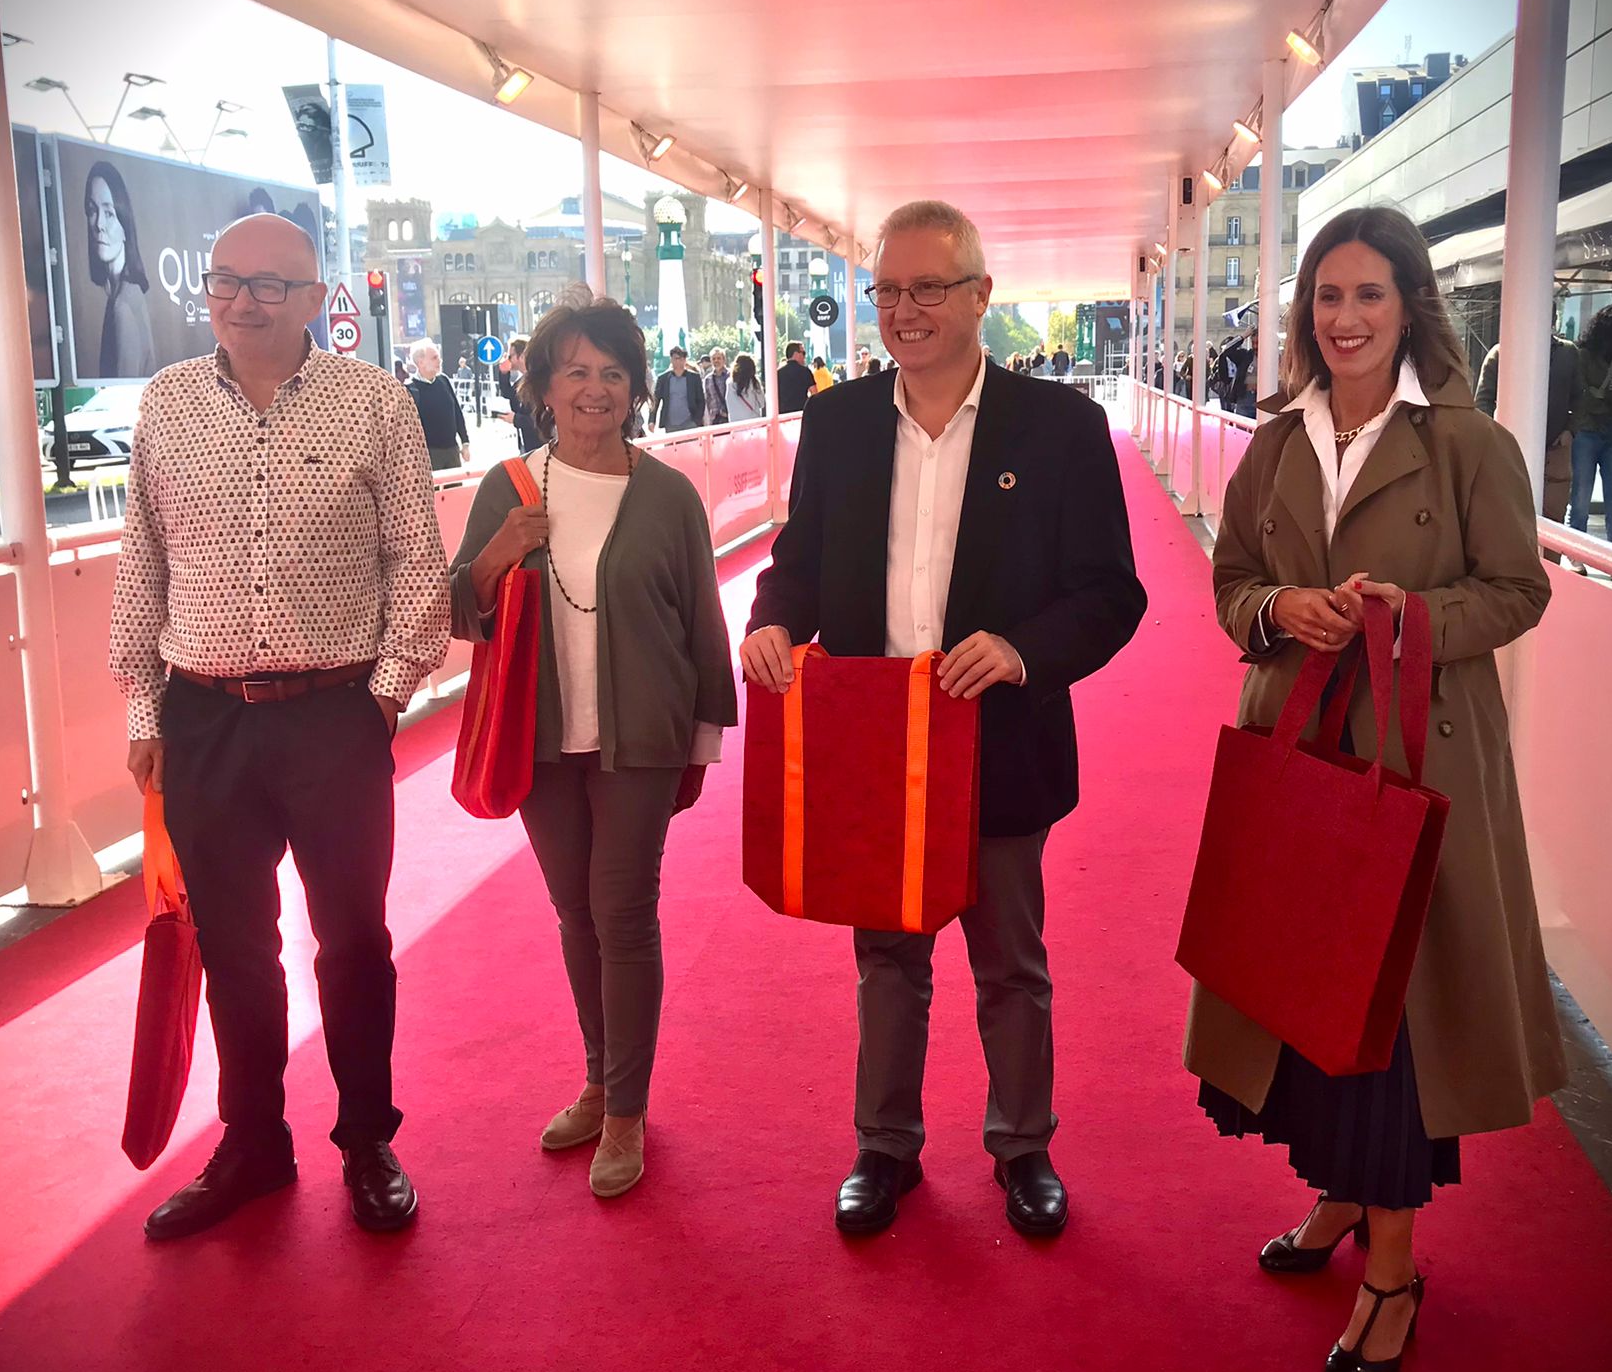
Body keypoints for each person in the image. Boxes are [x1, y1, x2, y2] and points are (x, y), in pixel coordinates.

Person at [1189, 204, 1564, 1372]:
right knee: (1307, 993)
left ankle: (1391, 1273)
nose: (1342, 319)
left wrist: (1403, 619)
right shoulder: (1277, 440)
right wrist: (1277, 612)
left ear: (1409, 307)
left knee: (1392, 1020)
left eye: (1367, 296)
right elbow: (1230, 577)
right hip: (1301, 761)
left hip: (1420, 768)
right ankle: (1340, 1195)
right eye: (1325, 298)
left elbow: (1515, 592)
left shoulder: (1462, 442)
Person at [742, 199, 1146, 1239]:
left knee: (1009, 959)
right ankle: (883, 1148)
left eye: (926, 287)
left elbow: (1109, 593)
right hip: (873, 743)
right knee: (887, 958)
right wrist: (772, 625)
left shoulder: (1059, 428)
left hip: (998, 741)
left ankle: (1023, 1147)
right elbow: (795, 566)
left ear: (980, 296)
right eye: (884, 290)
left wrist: (1020, 651)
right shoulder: (834, 424)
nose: (902, 310)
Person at [110, 214, 449, 1241]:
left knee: (352, 942)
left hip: (332, 718)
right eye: (225, 280)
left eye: (269, 283)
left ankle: (366, 1138)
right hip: (202, 717)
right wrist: (141, 706)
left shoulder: (373, 404)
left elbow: (416, 564)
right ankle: (253, 1141)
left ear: (315, 300)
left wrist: (382, 696)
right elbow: (140, 567)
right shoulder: (166, 405)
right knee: (233, 947)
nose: (242, 299)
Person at [449, 291, 736, 1199]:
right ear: (542, 385)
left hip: (641, 737)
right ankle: (597, 1077)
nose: (594, 389)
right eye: (575, 370)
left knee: (622, 911)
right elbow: (459, 607)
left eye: (613, 372)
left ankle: (625, 1112)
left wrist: (701, 741)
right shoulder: (510, 487)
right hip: (539, 738)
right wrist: (499, 551)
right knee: (574, 912)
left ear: (636, 388)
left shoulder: (667, 495)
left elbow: (701, 620)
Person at [1473, 329, 1580, 523]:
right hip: (1509, 449)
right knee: (1507, 517)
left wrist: (1570, 430)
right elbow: (1483, 401)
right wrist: (1493, 438)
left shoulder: (1568, 353)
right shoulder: (1499, 354)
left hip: (1555, 450)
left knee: (1553, 517)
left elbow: (1580, 398)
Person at [1565, 305, 1612, 553]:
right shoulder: (1581, 355)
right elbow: (1581, 396)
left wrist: (1605, 397)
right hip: (1586, 430)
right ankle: (1575, 552)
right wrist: (1608, 398)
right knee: (1580, 497)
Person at [82, 160, 155, 379]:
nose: (99, 225)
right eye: (92, 211)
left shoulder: (122, 307)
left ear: (125, 225)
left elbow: (125, 399)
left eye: (110, 213)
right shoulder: (124, 295)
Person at [405, 337, 470, 470]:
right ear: (420, 362)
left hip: (452, 450)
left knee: (455, 489)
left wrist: (465, 442)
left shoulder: (443, 380)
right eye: (434, 358)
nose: (439, 361)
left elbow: (457, 412)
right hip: (428, 455)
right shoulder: (410, 389)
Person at [650, 344, 705, 431]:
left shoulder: (694, 378)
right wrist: (651, 420)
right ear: (671, 359)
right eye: (676, 358)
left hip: (690, 422)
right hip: (671, 423)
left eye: (682, 358)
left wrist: (697, 420)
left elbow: (701, 400)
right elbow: (655, 401)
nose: (679, 361)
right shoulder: (663, 379)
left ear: (685, 360)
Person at [777, 341, 813, 413]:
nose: (804, 357)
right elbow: (814, 393)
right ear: (796, 354)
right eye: (803, 353)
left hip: (783, 415)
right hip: (801, 413)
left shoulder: (778, 373)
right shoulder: (805, 371)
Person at [727, 351, 765, 419]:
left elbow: (729, 405)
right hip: (753, 422)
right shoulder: (754, 383)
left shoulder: (729, 384)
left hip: (736, 424)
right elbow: (762, 403)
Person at [705, 346, 731, 425]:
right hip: (714, 418)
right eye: (714, 358)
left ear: (724, 359)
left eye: (719, 358)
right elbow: (708, 399)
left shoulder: (731, 375)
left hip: (729, 417)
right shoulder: (708, 379)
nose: (716, 361)